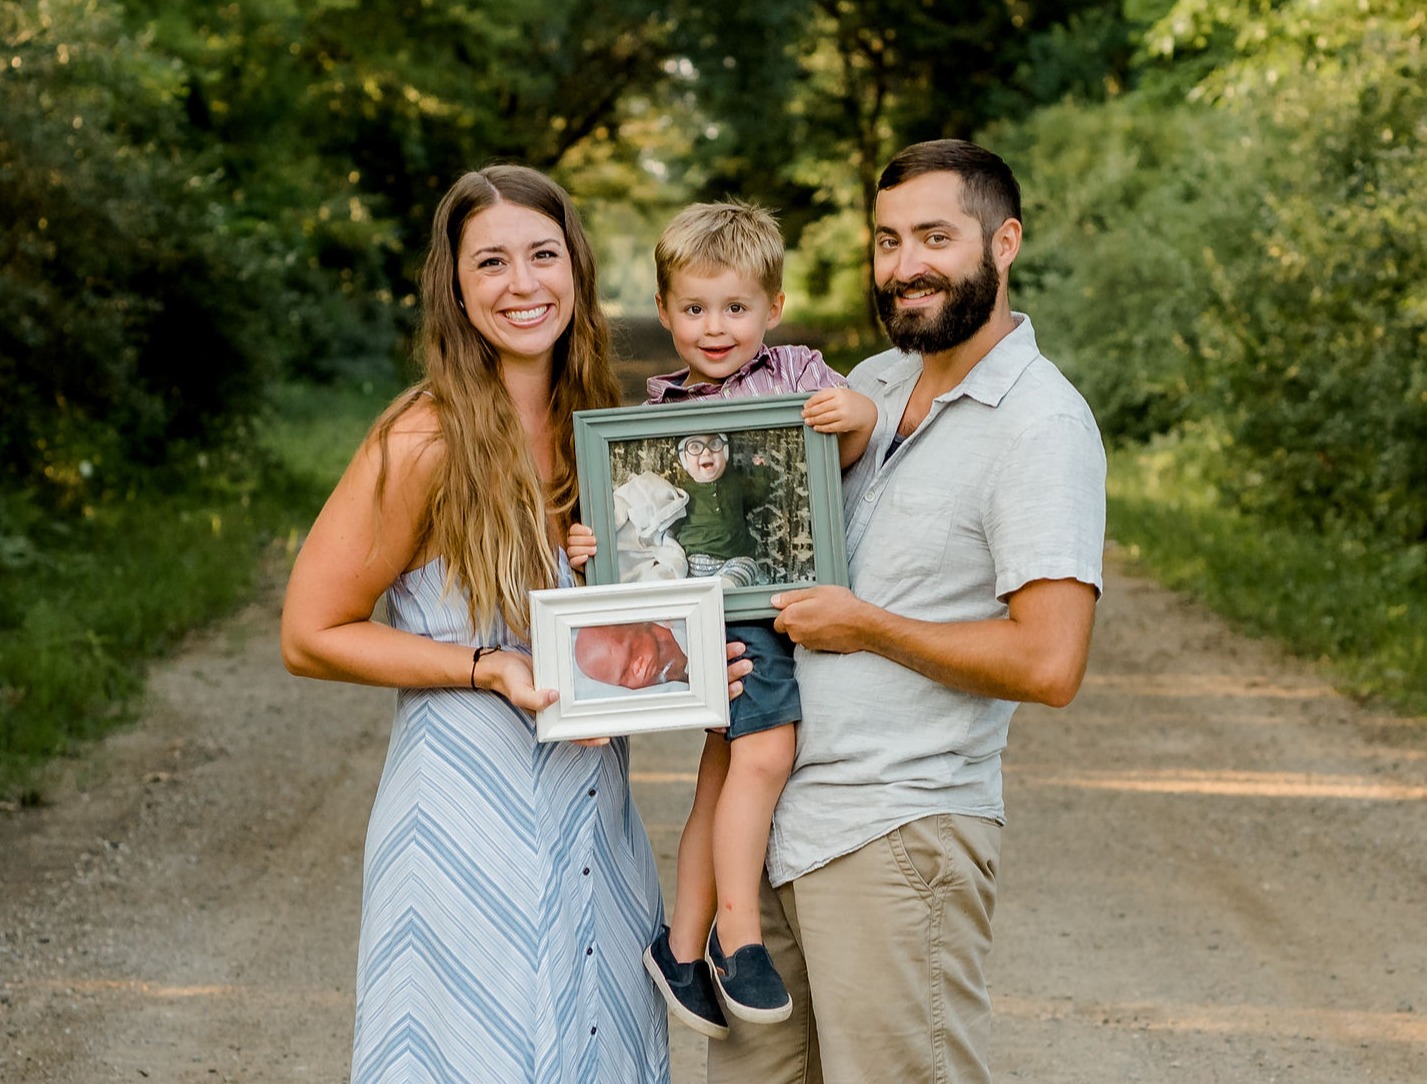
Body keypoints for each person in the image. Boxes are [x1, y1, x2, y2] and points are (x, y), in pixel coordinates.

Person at [280, 165, 693, 1083]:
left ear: (576, 270)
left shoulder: (604, 430)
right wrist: (484, 667)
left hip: (594, 820)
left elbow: (629, 625)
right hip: (463, 822)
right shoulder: (423, 441)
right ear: (457, 289)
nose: (522, 284)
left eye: (543, 255)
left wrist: (689, 661)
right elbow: (311, 631)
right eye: (492, 263)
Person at [706, 140, 1107, 1084]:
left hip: (895, 837)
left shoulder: (1040, 426)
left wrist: (868, 625)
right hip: (771, 830)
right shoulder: (867, 386)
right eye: (887, 241)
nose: (904, 265)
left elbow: (1050, 664)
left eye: (934, 236)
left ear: (1002, 243)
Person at [568, 200, 877, 1041]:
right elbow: (632, 525)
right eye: (694, 309)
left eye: (735, 308)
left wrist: (855, 415)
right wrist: (592, 533)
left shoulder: (798, 375)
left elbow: (846, 438)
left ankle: (676, 946)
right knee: (766, 752)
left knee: (722, 767)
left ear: (771, 309)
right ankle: (737, 939)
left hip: (775, 592)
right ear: (665, 312)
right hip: (715, 610)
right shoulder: (657, 415)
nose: (714, 328)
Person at [670, 431, 769, 586]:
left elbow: (756, 494)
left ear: (726, 453)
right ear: (684, 460)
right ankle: (707, 593)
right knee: (679, 573)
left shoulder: (735, 482)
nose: (706, 451)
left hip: (734, 560)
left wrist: (760, 471)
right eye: (695, 447)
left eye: (714, 444)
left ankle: (725, 588)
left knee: (749, 567)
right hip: (695, 561)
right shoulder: (681, 491)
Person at [574, 620, 689, 690]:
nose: (638, 669)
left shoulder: (680, 625)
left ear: (638, 625)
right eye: (625, 674)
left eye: (632, 652)